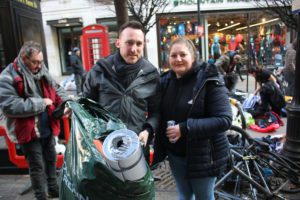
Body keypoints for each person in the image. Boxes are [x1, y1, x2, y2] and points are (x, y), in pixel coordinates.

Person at [154, 37, 232, 200]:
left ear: (193, 57)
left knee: (203, 196)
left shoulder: (208, 80)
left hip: (203, 154)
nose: (178, 59)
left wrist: (185, 128)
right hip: (175, 154)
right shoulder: (165, 81)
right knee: (184, 194)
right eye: (173, 55)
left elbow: (224, 119)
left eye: (183, 54)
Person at [0, 41, 70, 200]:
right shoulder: (7, 75)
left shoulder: (42, 70)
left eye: (41, 61)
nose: (39, 66)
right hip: (28, 131)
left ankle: (53, 189)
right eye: (35, 62)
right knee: (37, 166)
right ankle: (41, 196)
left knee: (51, 160)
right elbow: (9, 106)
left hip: (48, 126)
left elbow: (56, 88)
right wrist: (41, 103)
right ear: (24, 58)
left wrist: (66, 103)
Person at [83, 21, 160, 161]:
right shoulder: (100, 70)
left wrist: (148, 130)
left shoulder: (151, 74)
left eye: (138, 44)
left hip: (136, 146)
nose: (133, 49)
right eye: (129, 43)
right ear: (118, 43)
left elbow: (156, 111)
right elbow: (86, 106)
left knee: (135, 183)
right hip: (104, 148)